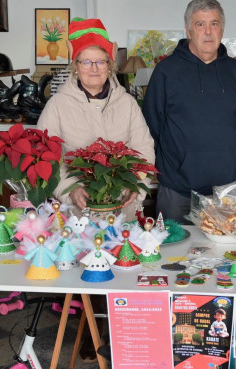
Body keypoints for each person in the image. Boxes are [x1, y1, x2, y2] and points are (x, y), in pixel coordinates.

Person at [142, 0, 236, 221]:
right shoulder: (166, 71)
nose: (208, 32)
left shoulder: (235, 72)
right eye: (200, 24)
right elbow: (152, 124)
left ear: (222, 28)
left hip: (224, 192)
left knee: (223, 253)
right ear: (188, 30)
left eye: (214, 24)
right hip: (177, 189)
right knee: (173, 252)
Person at [37, 17, 155, 220]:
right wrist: (69, 189)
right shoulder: (57, 105)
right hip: (76, 217)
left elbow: (144, 150)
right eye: (86, 62)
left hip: (123, 213)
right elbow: (46, 158)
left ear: (110, 66)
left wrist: (135, 184)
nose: (94, 68)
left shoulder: (127, 104)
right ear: (75, 66)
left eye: (101, 61)